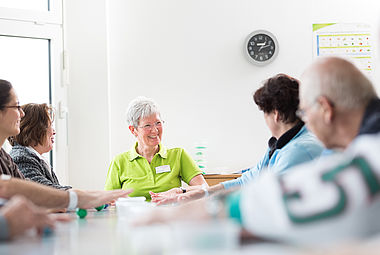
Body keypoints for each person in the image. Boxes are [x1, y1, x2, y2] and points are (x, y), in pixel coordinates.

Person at [136, 57, 380, 245]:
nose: (306, 122)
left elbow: (290, 202)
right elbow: (253, 178)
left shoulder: (365, 156)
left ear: (325, 109)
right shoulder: (288, 144)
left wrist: (179, 216)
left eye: (305, 112)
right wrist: (200, 195)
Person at [151, 74, 324, 205]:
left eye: (265, 113)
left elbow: (268, 200)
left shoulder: (298, 151)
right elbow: (248, 179)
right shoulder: (282, 143)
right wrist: (198, 194)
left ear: (276, 115)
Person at [0, 79, 132, 240]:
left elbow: (28, 196)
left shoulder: (6, 157)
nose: (22, 113)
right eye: (16, 107)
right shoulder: (20, 157)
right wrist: (80, 198)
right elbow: (10, 188)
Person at [104, 96, 207, 200]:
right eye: (147, 125)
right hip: (134, 216)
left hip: (170, 215)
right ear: (133, 130)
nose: (155, 130)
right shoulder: (119, 162)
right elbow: (107, 200)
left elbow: (204, 188)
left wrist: (179, 191)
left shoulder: (178, 155)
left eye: (158, 123)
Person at [8, 103, 71, 190]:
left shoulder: (35, 158)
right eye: (50, 125)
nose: (54, 132)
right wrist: (83, 195)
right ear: (36, 129)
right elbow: (47, 192)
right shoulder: (21, 158)